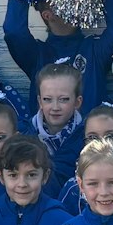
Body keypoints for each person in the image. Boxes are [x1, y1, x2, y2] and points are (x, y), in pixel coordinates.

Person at [2, 0, 113, 111]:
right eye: (64, 0)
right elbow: (14, 32)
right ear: (48, 15)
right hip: (44, 134)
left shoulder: (94, 49)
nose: (75, 2)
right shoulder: (37, 55)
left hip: (89, 134)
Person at [25, 63, 87, 195]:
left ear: (77, 102)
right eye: (47, 99)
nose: (55, 107)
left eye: (63, 99)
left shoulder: (87, 136)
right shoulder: (24, 134)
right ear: (40, 102)